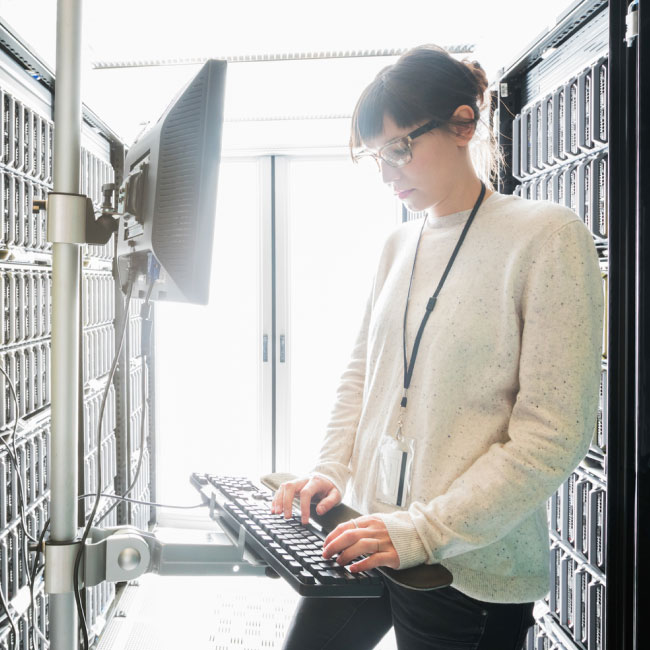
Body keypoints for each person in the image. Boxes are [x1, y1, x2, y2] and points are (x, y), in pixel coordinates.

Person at [271, 44, 603, 650]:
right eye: (377, 157)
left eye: (400, 149)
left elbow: (553, 432)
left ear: (462, 125)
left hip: (467, 566)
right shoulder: (396, 245)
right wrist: (330, 468)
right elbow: (361, 377)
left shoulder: (546, 236)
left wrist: (423, 531)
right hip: (370, 530)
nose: (388, 171)